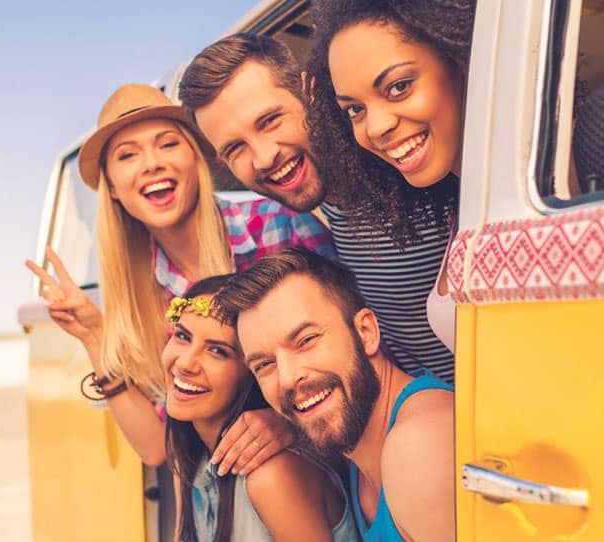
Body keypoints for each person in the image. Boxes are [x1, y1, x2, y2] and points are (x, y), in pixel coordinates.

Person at [25, 83, 336, 469]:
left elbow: (365, 354)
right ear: (114, 189)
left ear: (197, 159)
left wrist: (289, 420)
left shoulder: (278, 225)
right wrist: (94, 336)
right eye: (127, 155)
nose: (152, 163)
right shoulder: (146, 294)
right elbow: (158, 448)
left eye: (168, 144)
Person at [179, 32, 456, 384]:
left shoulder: (415, 171)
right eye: (236, 148)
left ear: (310, 94)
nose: (264, 157)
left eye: (270, 121)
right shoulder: (320, 220)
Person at [214, 247, 455, 542]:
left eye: (306, 340)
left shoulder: (420, 442)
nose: (288, 378)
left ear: (366, 332)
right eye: (265, 365)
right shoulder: (359, 448)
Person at [305, 0, 477, 355]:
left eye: (399, 87)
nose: (376, 127)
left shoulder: (565, 177)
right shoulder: (461, 204)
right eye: (355, 110)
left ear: (460, 58)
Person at [163, 274, 359, 542]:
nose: (186, 363)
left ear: (253, 374)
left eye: (217, 351)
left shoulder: (271, 476)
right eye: (182, 336)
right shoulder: (186, 453)